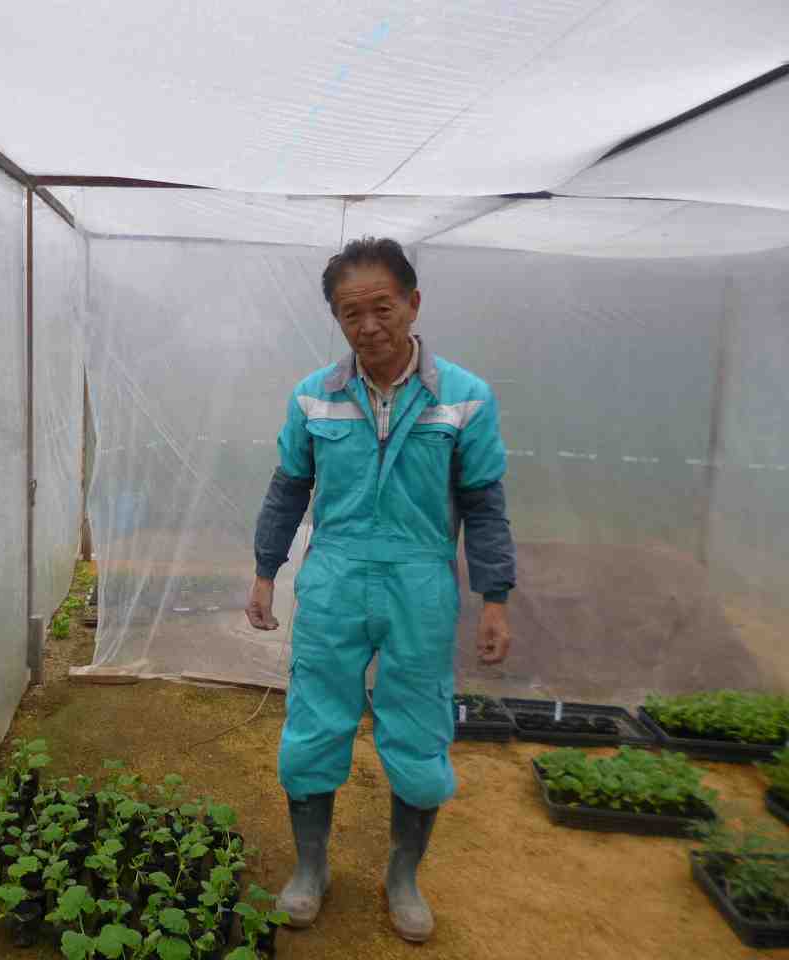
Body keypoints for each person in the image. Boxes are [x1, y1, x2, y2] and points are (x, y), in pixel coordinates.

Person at [246, 237, 516, 943]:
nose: (367, 326)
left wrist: (495, 597)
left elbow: (483, 504)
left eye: (381, 308)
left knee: (421, 732)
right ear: (337, 320)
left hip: (420, 586)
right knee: (313, 723)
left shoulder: (464, 398)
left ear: (413, 304)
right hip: (334, 579)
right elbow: (288, 489)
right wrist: (264, 570)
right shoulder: (315, 396)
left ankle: (403, 876)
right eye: (349, 313)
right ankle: (311, 870)